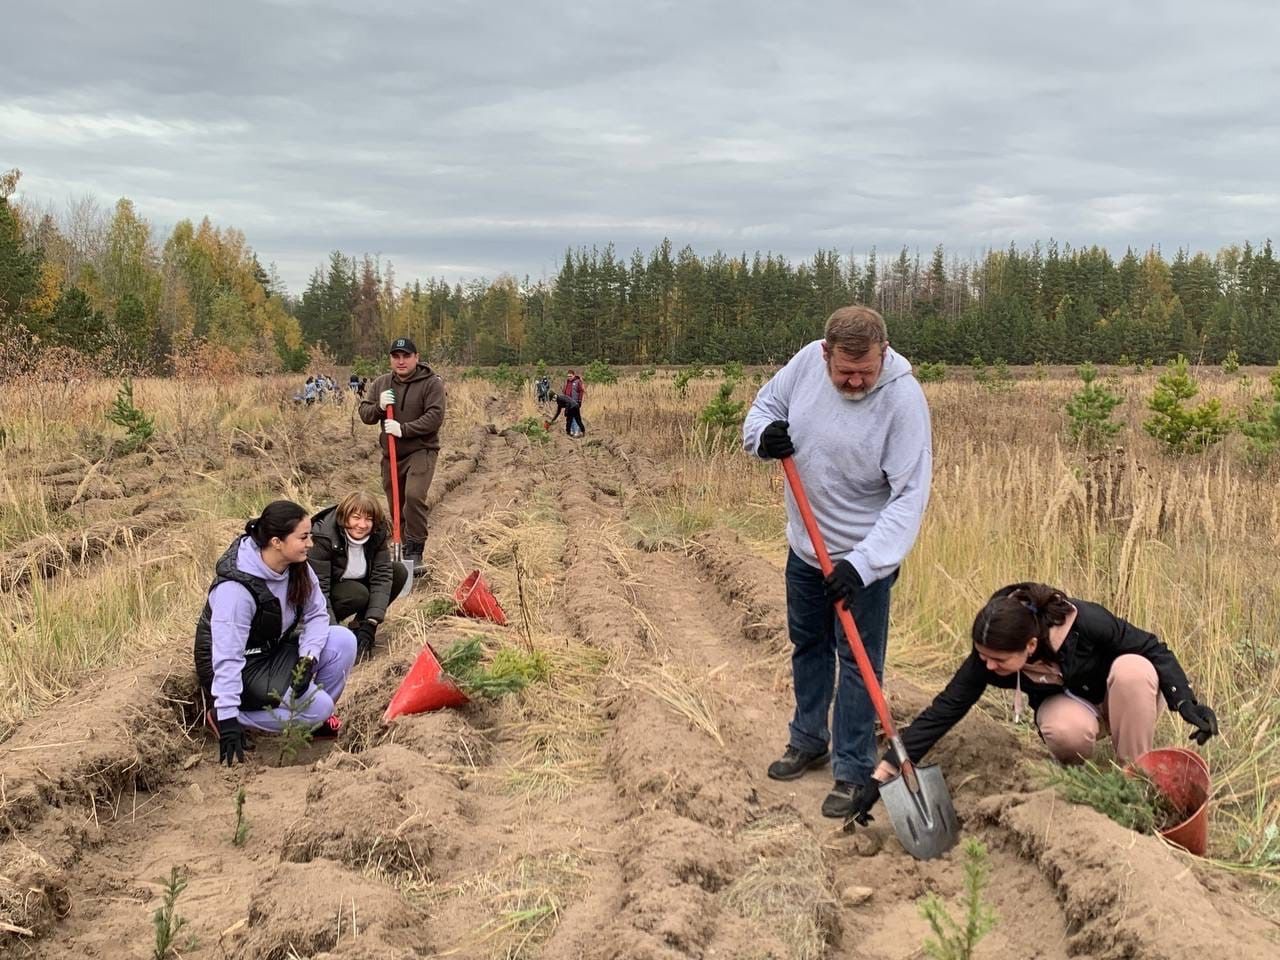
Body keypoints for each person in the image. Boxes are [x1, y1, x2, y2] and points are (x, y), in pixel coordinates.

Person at [743, 305, 932, 818]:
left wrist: (864, 564)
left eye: (865, 372)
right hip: (806, 549)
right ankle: (808, 737)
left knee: (859, 663)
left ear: (883, 354)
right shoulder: (805, 364)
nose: (854, 382)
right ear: (825, 353)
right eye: (844, 371)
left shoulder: (903, 400)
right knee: (809, 644)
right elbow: (761, 410)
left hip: (862, 560)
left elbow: (909, 497)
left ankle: (851, 769)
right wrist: (764, 438)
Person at [841, 582, 1221, 825]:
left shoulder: (1084, 622)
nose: (988, 666)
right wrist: (886, 771)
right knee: (1062, 729)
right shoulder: (988, 658)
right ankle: (1082, 772)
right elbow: (944, 711)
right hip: (1075, 709)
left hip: (1121, 696)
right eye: (983, 657)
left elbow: (1151, 646)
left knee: (1134, 669)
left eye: (998, 661)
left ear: (1031, 646)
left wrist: (1185, 702)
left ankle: (1135, 781)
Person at [194, 500, 358, 766]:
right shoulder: (236, 591)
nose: (310, 544)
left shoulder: (297, 566)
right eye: (303, 537)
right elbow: (227, 657)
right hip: (242, 666)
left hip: (271, 650)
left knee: (343, 640)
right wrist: (226, 715)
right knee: (320, 707)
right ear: (276, 542)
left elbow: (317, 615)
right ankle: (239, 717)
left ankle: (310, 720)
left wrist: (309, 658)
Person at [358, 337, 446, 577]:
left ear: (416, 358)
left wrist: (403, 429)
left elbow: (435, 417)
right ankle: (402, 548)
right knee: (396, 506)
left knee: (414, 496)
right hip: (391, 454)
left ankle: (415, 551)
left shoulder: (431, 384)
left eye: (406, 356)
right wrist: (378, 406)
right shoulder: (382, 384)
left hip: (421, 449)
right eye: (396, 356)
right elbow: (365, 413)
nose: (401, 361)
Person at [307, 490, 407, 661]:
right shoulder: (323, 536)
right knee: (357, 593)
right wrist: (333, 635)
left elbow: (381, 576)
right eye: (356, 517)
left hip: (355, 584)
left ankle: (359, 628)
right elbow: (318, 589)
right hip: (330, 592)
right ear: (344, 516)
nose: (362, 525)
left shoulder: (377, 532)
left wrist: (370, 624)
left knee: (397, 571)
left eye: (368, 519)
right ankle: (329, 631)